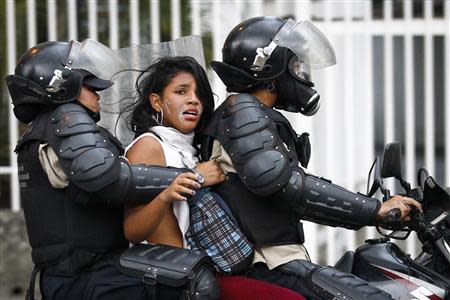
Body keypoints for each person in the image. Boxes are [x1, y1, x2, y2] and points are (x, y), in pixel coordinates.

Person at [200, 16, 422, 300]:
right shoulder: (242, 110)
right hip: (267, 264)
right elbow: (288, 185)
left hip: (280, 261)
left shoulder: (253, 115)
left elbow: (292, 196)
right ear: (270, 69)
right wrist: (374, 210)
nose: (302, 74)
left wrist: (371, 213)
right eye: (295, 65)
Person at [5, 40, 217, 300]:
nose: (97, 92)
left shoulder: (49, 128)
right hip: (85, 276)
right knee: (194, 283)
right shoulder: (66, 118)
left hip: (82, 272)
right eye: (88, 84)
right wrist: (191, 177)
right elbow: (106, 176)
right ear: (60, 85)